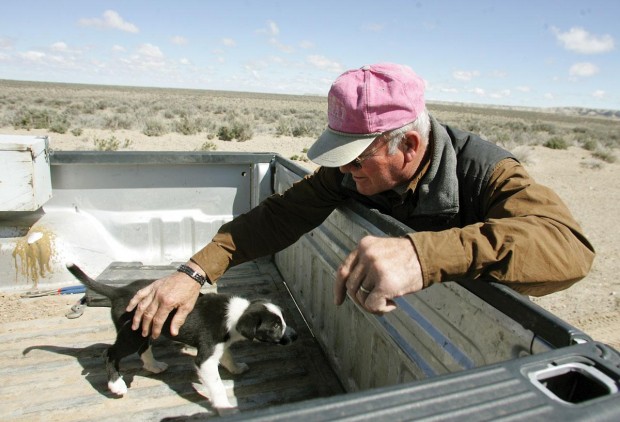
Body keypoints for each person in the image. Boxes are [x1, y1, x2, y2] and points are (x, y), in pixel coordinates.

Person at [127, 63, 595, 339]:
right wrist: (194, 271)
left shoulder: (487, 171)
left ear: (409, 147)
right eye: (341, 159)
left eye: (356, 160)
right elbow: (277, 217)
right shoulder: (348, 175)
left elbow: (569, 249)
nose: (344, 172)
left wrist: (421, 253)